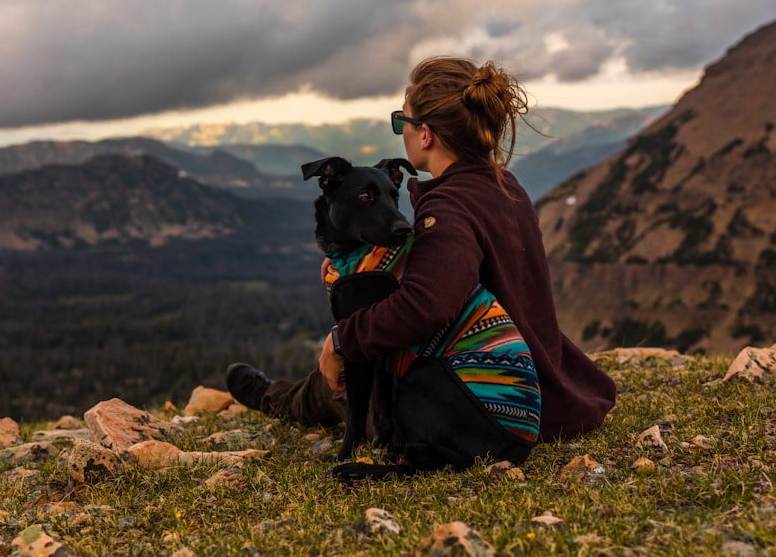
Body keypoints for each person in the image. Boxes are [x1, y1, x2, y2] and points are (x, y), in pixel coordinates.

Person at [226, 56, 616, 449]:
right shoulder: (505, 185)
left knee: (338, 381)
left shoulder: (448, 205)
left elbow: (427, 305)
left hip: (485, 399)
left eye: (402, 121)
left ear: (425, 133)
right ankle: (284, 393)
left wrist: (341, 339)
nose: (402, 133)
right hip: (542, 379)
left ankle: (272, 398)